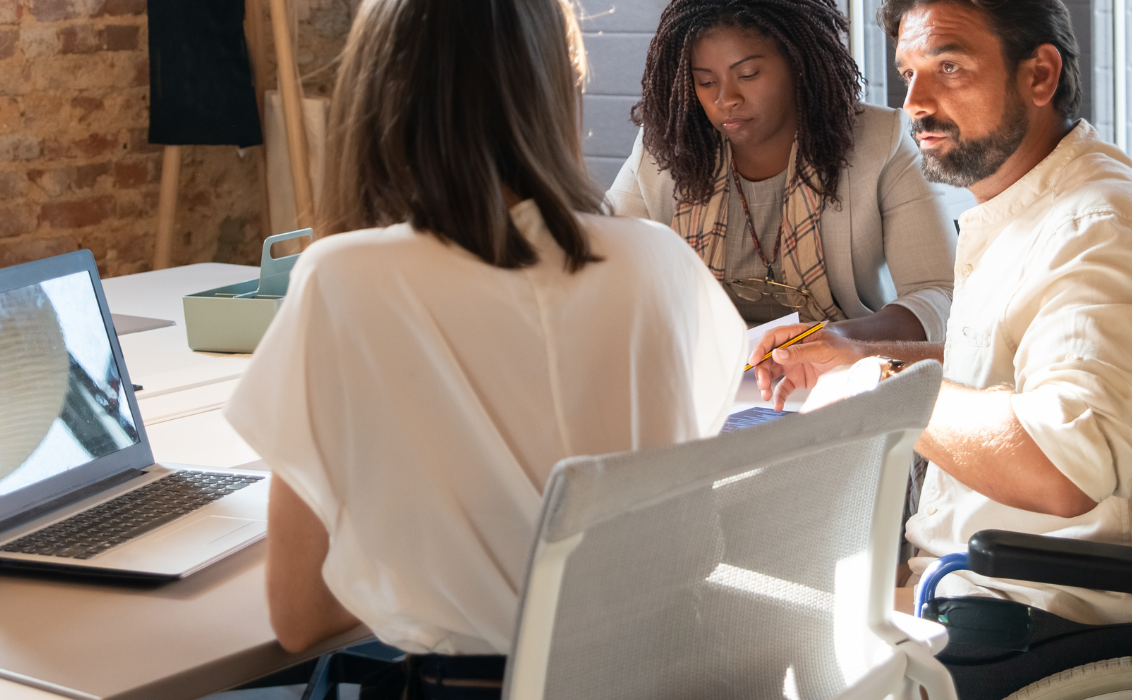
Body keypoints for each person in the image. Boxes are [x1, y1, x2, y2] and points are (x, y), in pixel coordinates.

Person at [221, 0, 747, 695]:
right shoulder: (657, 261)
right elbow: (677, 528)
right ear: (556, 86)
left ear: (379, 91)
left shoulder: (344, 279)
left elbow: (300, 615)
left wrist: (437, 571)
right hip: (663, 677)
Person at [750, 0, 1132, 626]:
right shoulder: (1038, 206)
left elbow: (1064, 465)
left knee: (748, 633)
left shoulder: (1102, 229)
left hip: (1040, 613)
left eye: (949, 67)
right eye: (908, 73)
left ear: (1039, 75)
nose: (914, 103)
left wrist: (878, 387)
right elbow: (1010, 361)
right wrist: (862, 353)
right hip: (982, 583)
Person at [609, 0, 955, 345]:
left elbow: (940, 293)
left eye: (748, 75)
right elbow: (604, 265)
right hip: (704, 362)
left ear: (798, 62)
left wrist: (834, 338)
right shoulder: (668, 148)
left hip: (840, 363)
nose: (725, 98)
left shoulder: (880, 142)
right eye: (705, 81)